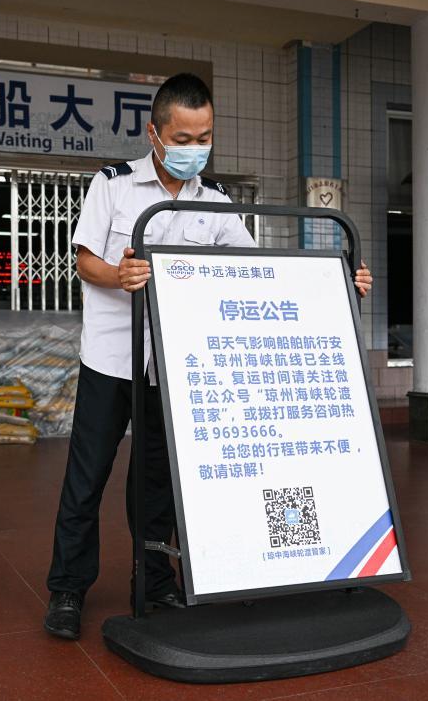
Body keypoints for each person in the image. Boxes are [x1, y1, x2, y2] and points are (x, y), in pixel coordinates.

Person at [43, 73, 372, 640]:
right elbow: (85, 261)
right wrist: (120, 275)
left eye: (204, 138)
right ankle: (68, 589)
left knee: (157, 482)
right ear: (155, 134)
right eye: (183, 138)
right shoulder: (113, 186)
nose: (195, 149)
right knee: (87, 477)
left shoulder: (217, 203)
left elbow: (254, 273)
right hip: (112, 360)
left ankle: (155, 584)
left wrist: (339, 281)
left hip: (175, 368)